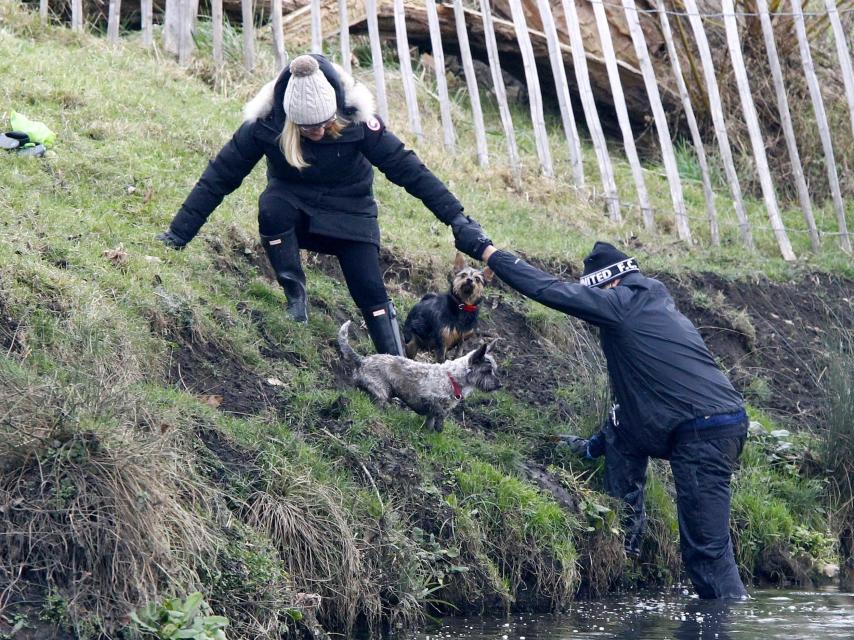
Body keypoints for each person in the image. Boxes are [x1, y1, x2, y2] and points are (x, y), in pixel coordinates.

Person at [474, 238, 749, 600]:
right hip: (716, 424)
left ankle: (727, 620)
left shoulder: (620, 303)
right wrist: (592, 448)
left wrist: (492, 255)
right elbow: (629, 416)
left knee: (707, 554)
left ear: (609, 284)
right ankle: (627, 539)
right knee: (624, 436)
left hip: (701, 433)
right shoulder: (654, 304)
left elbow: (550, 290)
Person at [156, 54, 486, 355]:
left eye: (325, 124)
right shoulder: (266, 123)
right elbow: (220, 175)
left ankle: (400, 369)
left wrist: (456, 217)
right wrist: (177, 234)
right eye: (306, 128)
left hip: (351, 213)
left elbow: (409, 169)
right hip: (293, 206)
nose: (317, 132)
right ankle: (295, 298)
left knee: (371, 292)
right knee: (271, 206)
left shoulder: (358, 121)